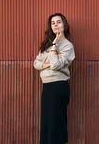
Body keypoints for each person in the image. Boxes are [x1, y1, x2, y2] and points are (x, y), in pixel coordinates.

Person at [33, 13, 75, 144]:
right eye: (53, 23)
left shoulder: (68, 46)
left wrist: (55, 45)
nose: (56, 25)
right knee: (47, 123)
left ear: (64, 25)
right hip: (47, 87)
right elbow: (36, 64)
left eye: (59, 22)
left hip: (58, 87)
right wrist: (47, 64)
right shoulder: (46, 45)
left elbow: (56, 65)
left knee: (56, 124)